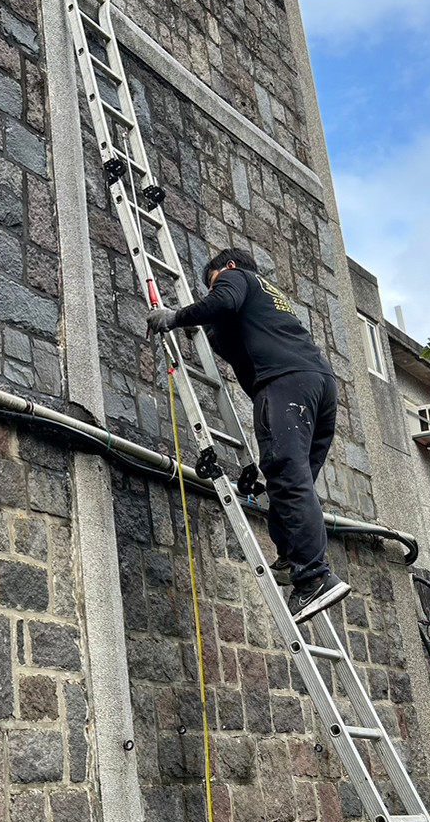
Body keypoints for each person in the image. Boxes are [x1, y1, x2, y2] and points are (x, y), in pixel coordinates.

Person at [146, 248, 347, 622]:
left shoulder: (237, 278)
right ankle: (290, 557)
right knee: (294, 481)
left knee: (287, 476)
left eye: (214, 280)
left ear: (230, 267)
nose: (215, 287)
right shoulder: (270, 299)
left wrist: (175, 317)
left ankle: (315, 578)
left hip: (284, 383)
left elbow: (223, 300)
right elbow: (228, 328)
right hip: (319, 386)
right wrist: (201, 327)